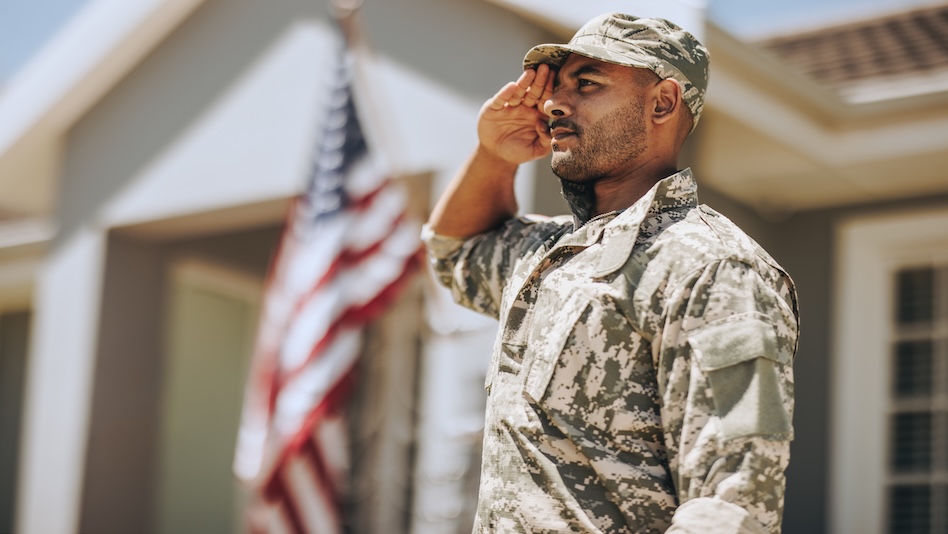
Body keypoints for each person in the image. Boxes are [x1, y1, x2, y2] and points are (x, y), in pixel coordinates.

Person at [422, 12, 799, 534]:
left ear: (662, 102)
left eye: (587, 84)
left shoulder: (713, 267)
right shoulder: (549, 250)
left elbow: (733, 501)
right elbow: (456, 253)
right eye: (555, 86)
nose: (554, 102)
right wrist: (493, 155)